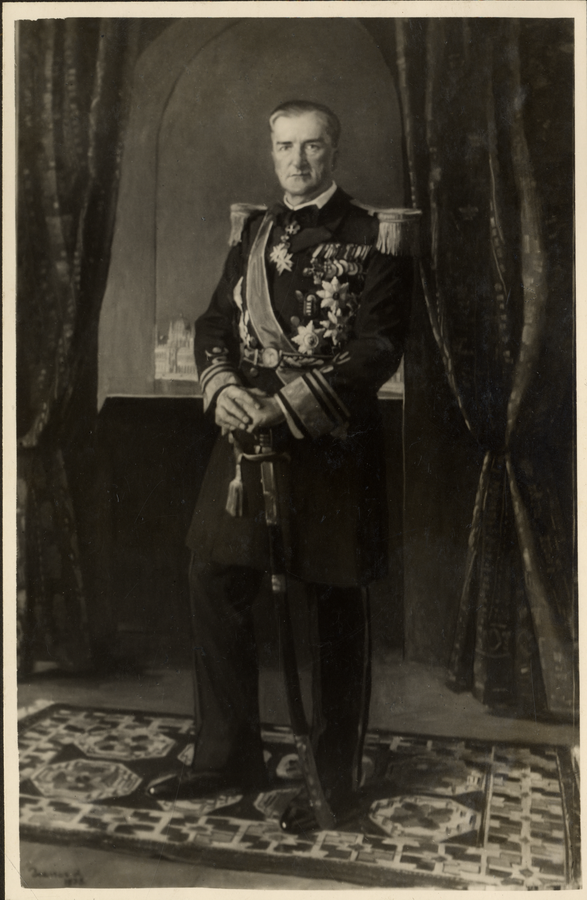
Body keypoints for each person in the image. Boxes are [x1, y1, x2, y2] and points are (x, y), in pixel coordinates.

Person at [147, 100, 415, 833]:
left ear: (334, 151)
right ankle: (227, 755)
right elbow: (215, 323)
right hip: (247, 441)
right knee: (212, 575)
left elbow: (377, 347)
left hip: (328, 441)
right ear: (271, 152)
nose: (297, 161)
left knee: (330, 604)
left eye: (312, 147)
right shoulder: (254, 232)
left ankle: (333, 777)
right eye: (285, 147)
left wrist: (286, 404)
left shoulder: (375, 236)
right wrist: (223, 388)